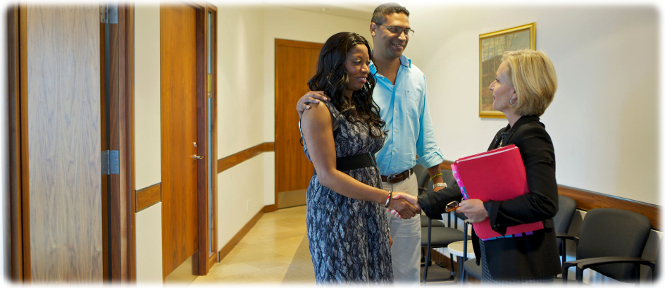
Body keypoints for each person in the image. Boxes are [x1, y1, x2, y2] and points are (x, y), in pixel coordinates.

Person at [296, 3, 445, 283]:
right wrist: (301, 106)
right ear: (374, 29)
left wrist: (437, 181)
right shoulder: (332, 96)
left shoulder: (408, 81)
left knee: (392, 272)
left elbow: (425, 132)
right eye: (394, 29)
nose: (401, 36)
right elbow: (327, 169)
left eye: (406, 30)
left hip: (395, 189)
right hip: (346, 201)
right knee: (348, 273)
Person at [395, 50, 561, 283]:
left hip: (523, 262)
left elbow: (545, 203)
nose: (492, 86)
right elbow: (472, 188)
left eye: (498, 80)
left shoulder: (533, 136)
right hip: (501, 254)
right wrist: (421, 201)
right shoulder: (506, 134)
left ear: (516, 92)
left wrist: (487, 209)